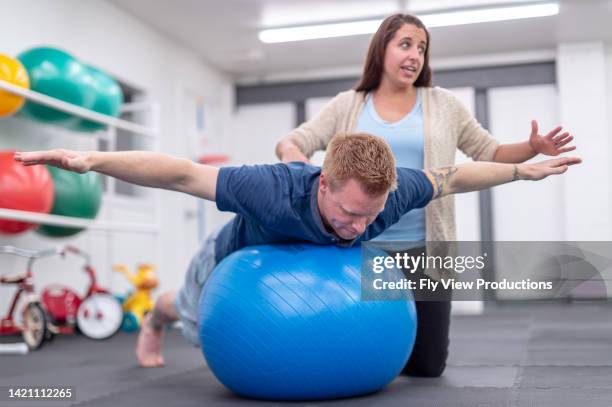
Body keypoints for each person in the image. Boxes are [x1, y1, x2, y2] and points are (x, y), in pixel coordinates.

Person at [14, 133, 580, 368]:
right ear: (322, 183)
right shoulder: (271, 185)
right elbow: (180, 174)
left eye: (371, 215)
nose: (360, 228)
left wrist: (518, 171)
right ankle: (155, 322)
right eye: (349, 212)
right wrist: (93, 162)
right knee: (184, 314)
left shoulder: (394, 189)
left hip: (309, 277)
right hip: (235, 263)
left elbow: (453, 176)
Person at [274, 13, 576, 377]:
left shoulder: (443, 104)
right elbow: (292, 142)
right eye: (405, 44)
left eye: (422, 48)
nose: (415, 55)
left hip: (426, 249)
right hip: (361, 250)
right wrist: (300, 168)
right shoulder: (348, 105)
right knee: (361, 353)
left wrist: (531, 147)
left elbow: (490, 152)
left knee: (428, 366)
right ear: (381, 49)